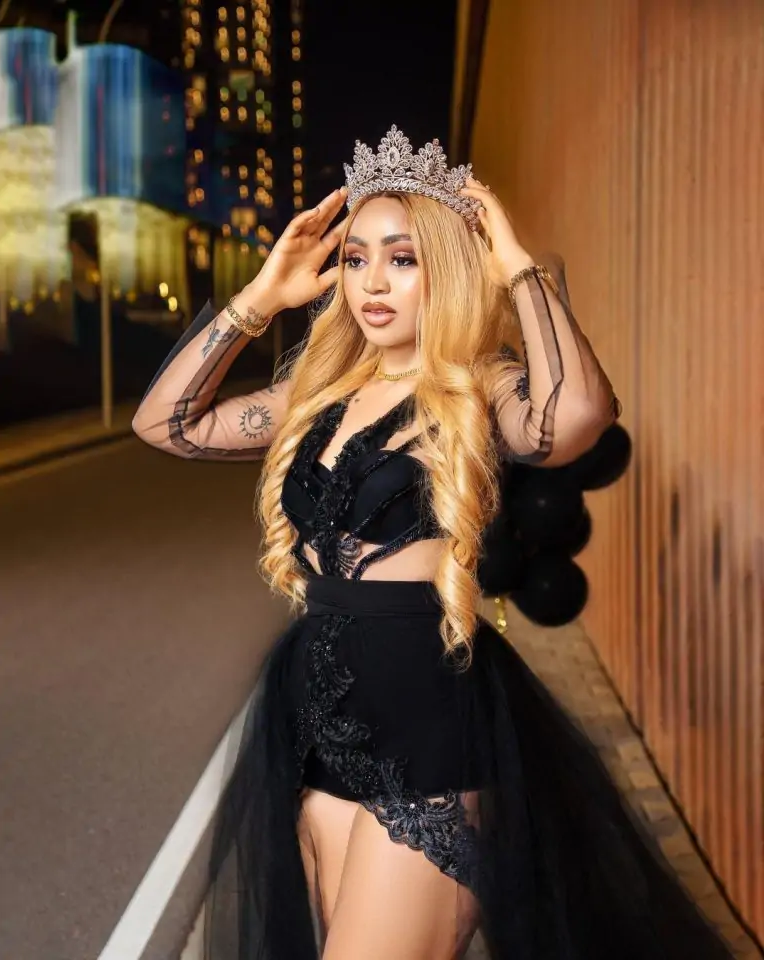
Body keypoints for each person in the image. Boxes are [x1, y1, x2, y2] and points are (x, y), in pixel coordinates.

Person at [132, 126, 733, 959]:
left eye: (403, 259)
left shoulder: (479, 387)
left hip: (428, 724)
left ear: (445, 269)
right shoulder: (320, 392)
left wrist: (515, 267)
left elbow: (576, 417)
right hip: (318, 720)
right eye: (356, 259)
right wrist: (261, 298)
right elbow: (167, 424)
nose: (373, 282)